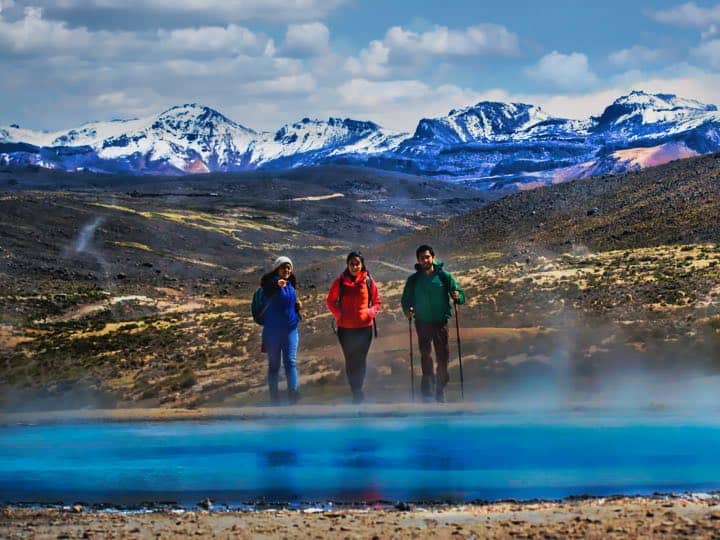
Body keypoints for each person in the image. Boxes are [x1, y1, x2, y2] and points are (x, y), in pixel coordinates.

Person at [401, 245, 465, 403]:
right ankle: (427, 392)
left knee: (442, 357)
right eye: (422, 258)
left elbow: (460, 295)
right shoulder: (414, 280)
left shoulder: (444, 276)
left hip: (440, 322)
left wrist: (458, 296)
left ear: (433, 257)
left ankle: (440, 389)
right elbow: (406, 299)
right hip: (422, 322)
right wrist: (407, 310)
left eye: (427, 257)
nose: (425, 260)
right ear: (418, 260)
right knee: (425, 356)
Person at [326, 251, 381, 403]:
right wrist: (339, 315)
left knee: (361, 359)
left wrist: (370, 313)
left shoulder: (368, 281)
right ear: (347, 265)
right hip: (345, 329)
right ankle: (355, 390)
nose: (355, 266)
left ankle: (359, 388)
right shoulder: (340, 282)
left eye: (357, 263)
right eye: (352, 263)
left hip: (364, 328)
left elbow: (377, 301)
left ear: (362, 265)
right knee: (350, 359)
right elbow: (330, 301)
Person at [260, 256, 302, 405]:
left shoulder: (290, 285)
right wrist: (277, 284)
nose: (287, 270)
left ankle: (293, 393)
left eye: (289, 268)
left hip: (291, 329)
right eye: (284, 267)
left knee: (290, 361)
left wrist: (297, 306)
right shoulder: (270, 284)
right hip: (273, 332)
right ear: (277, 269)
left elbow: (288, 303)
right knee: (274, 365)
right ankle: (274, 398)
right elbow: (268, 289)